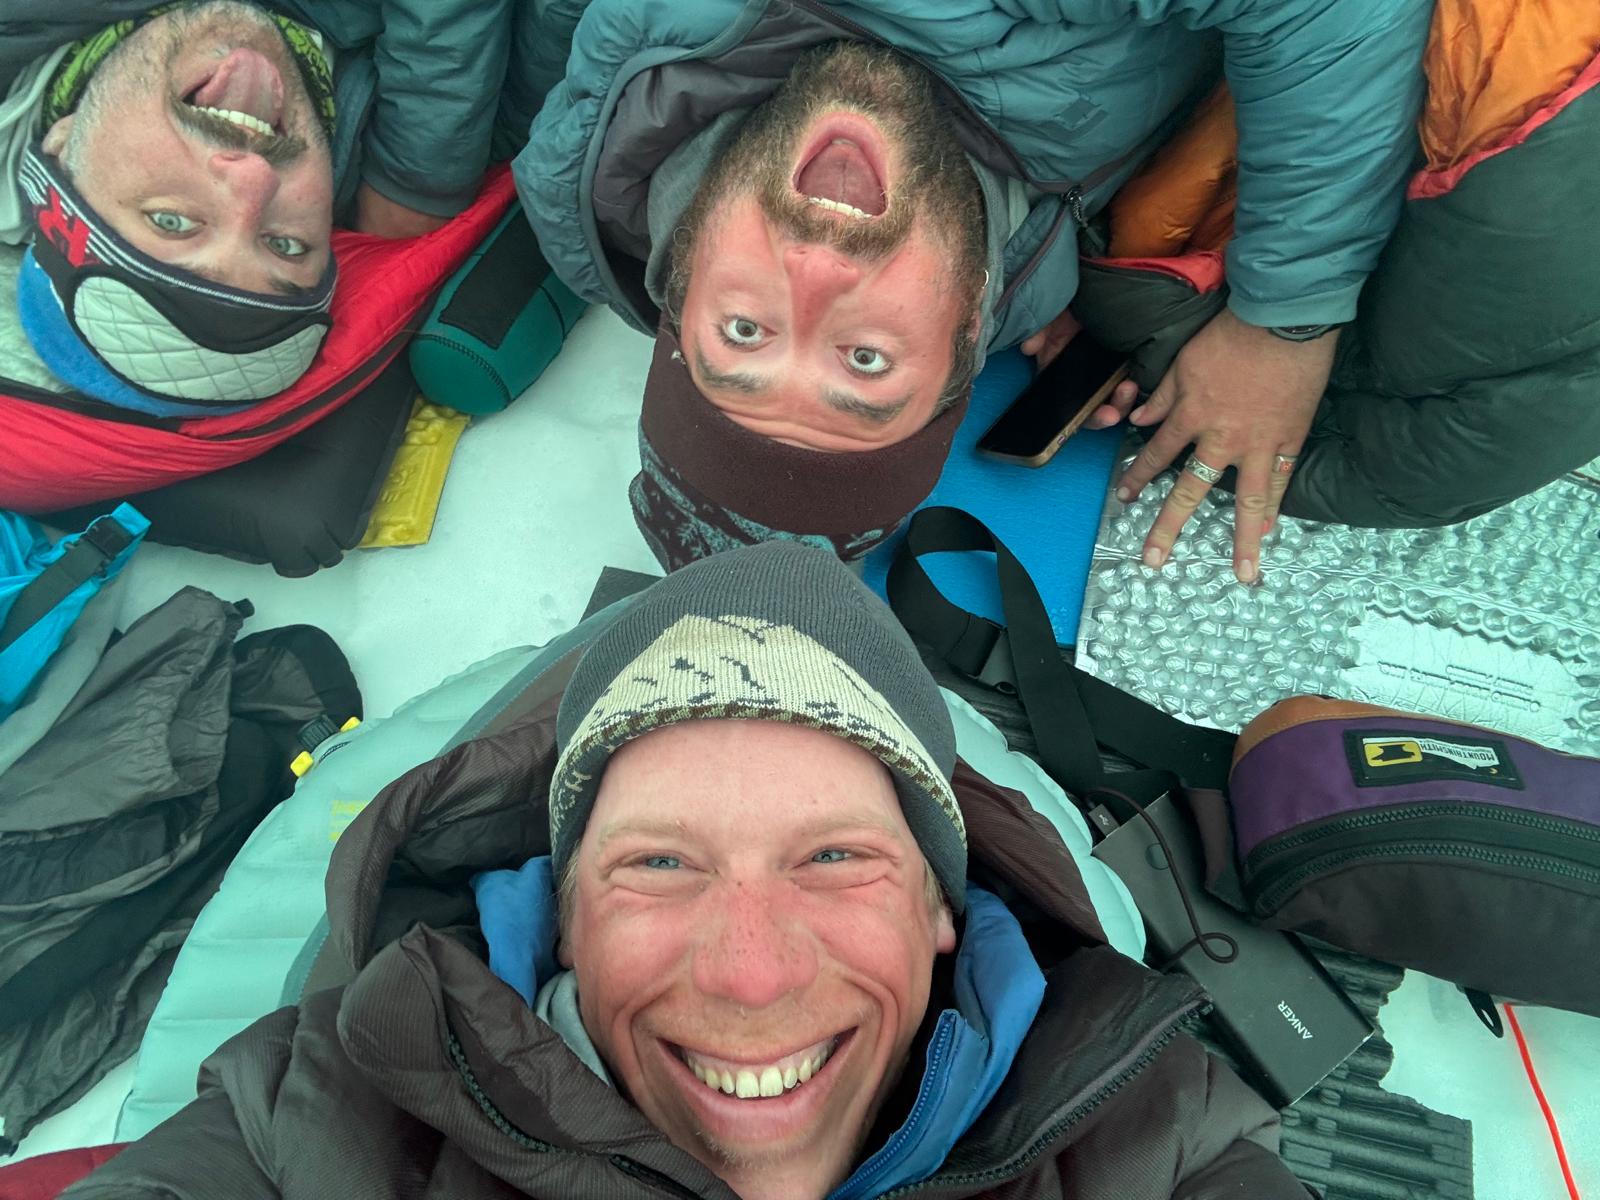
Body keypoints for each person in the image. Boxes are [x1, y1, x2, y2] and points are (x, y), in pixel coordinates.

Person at [57, 542, 1314, 1199]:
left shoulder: (1162, 1149)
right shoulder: (307, 1126)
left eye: (834, 858)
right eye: (658, 865)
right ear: (558, 926)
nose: (752, 975)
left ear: (946, 911)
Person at [517, 0, 1435, 580]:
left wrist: (1288, 325)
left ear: (675, 280)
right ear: (970, 322)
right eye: (865, 359)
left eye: (746, 334)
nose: (819, 270)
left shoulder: (590, 158)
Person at [1, 0, 575, 411]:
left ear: (60, 144)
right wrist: (418, 174)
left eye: (171, 221)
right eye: (285, 244)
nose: (255, 181)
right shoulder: (491, 110)